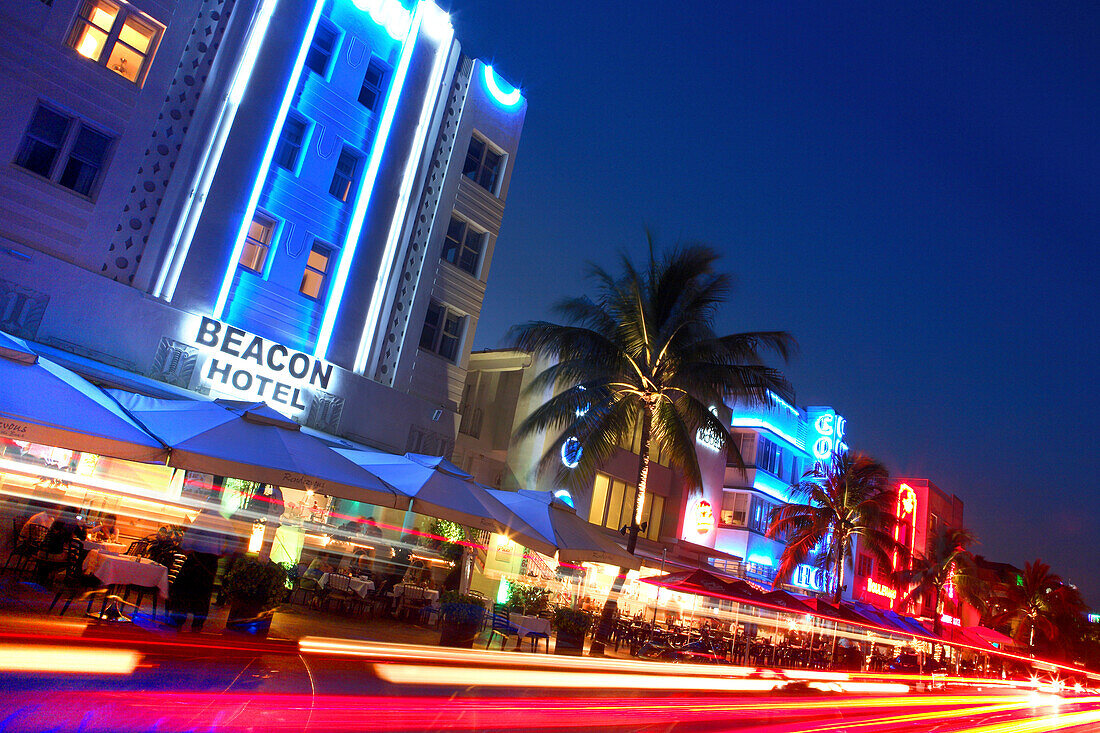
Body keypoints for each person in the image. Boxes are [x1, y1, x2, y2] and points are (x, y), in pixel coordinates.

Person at [169, 509, 246, 631]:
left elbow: (190, 535)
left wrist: (185, 547)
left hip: (196, 558)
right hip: (211, 561)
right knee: (204, 592)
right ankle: (198, 623)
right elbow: (235, 540)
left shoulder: (202, 519)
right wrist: (226, 552)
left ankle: (178, 620)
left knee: (185, 589)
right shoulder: (224, 522)